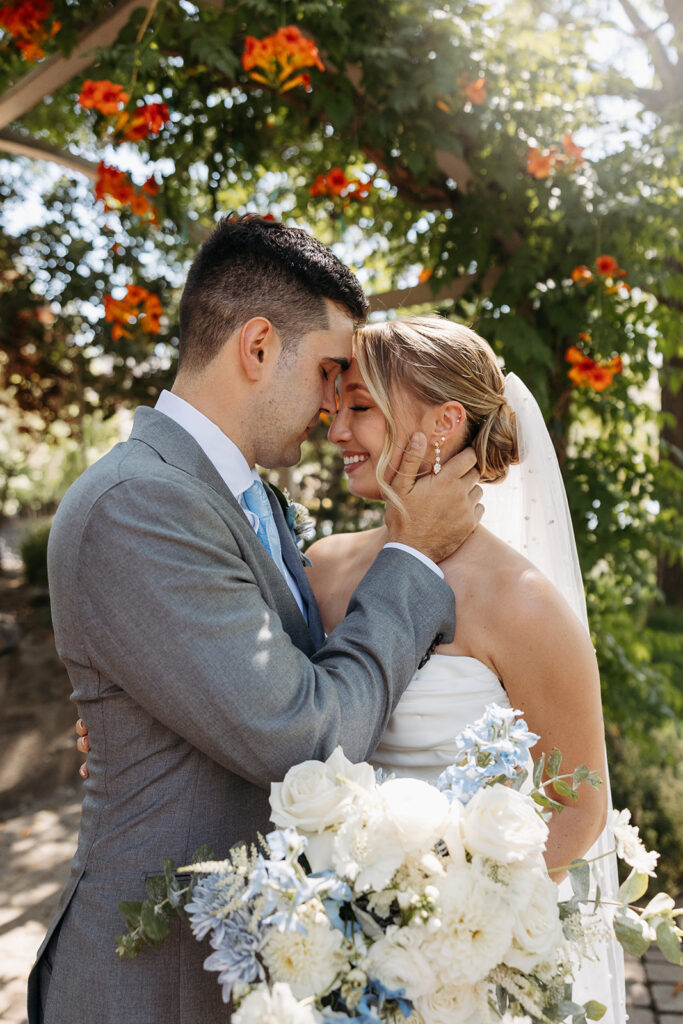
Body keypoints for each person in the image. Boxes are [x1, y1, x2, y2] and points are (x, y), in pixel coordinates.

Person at [28, 221, 483, 1024]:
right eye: (329, 370)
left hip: (248, 963)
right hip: (152, 982)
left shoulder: (251, 499)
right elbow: (301, 735)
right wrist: (409, 560)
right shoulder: (140, 503)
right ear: (259, 346)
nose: (335, 404)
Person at [305, 314, 625, 1023]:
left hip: (460, 980)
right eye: (334, 410)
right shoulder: (320, 567)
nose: (334, 433)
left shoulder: (523, 604)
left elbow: (577, 807)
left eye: (360, 408)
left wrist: (442, 930)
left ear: (444, 422)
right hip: (325, 945)